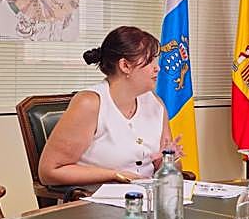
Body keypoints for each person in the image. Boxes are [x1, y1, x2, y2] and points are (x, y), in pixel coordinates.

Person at [39, 26, 178, 185]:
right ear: (125, 66)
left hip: (148, 195)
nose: (157, 68)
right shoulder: (89, 103)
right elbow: (49, 171)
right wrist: (115, 175)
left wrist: (167, 162)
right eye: (150, 60)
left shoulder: (156, 104)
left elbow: (168, 169)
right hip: (96, 197)